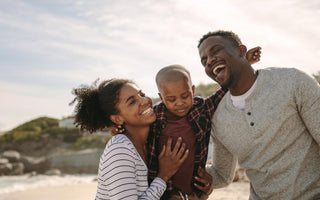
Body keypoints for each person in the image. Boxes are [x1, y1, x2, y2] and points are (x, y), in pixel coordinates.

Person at [197, 30, 320, 200]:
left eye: (215, 50)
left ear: (241, 51)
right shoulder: (218, 119)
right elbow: (221, 175)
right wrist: (190, 174)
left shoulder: (293, 82)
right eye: (204, 61)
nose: (209, 61)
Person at [147, 47, 260, 200]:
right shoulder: (154, 117)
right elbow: (131, 125)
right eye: (171, 99)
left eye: (185, 96)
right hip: (162, 190)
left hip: (193, 189)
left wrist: (243, 64)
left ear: (192, 90)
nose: (180, 103)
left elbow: (224, 91)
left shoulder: (200, 109)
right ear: (161, 97)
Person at [70, 79, 189, 200]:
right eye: (132, 102)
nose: (145, 101)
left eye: (142, 94)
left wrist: (207, 176)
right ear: (117, 119)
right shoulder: (119, 150)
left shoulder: (151, 141)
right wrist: (163, 176)